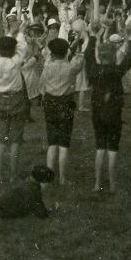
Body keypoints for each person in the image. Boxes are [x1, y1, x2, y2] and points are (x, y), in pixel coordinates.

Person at [89, 27, 131, 192]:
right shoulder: (117, 71)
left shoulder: (94, 70)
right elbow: (130, 58)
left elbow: (88, 56)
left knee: (100, 146)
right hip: (114, 112)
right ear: (114, 55)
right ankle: (113, 184)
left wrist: (94, 37)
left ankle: (96, 183)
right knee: (112, 147)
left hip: (97, 111)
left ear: (100, 56)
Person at [41, 36, 83, 185]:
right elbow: (79, 60)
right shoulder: (71, 67)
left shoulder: (47, 65)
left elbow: (48, 55)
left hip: (50, 102)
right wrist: (77, 47)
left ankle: (48, 177)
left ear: (52, 53)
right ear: (66, 53)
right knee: (64, 143)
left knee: (52, 142)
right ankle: (63, 178)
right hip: (66, 103)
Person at [0, 24, 29, 183]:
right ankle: (13, 175)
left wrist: (10, 32)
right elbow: (22, 46)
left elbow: (4, 45)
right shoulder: (16, 61)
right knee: (15, 140)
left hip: (0, 99)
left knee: (0, 140)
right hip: (16, 100)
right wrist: (19, 31)